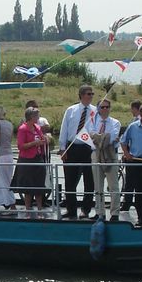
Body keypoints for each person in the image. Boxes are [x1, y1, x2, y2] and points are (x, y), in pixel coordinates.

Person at [58, 85, 99, 219]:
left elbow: (97, 128)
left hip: (88, 148)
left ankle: (85, 210)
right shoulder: (71, 110)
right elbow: (64, 129)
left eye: (92, 94)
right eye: (88, 94)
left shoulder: (95, 111)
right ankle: (71, 209)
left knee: (89, 180)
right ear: (81, 95)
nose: (91, 96)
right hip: (72, 147)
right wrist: (63, 148)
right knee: (70, 180)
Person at [91, 99, 122, 222]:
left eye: (107, 107)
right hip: (96, 154)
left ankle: (115, 213)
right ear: (98, 108)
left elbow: (112, 137)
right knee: (98, 186)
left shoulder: (115, 122)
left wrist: (99, 137)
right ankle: (100, 212)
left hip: (111, 155)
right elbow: (91, 135)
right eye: (102, 107)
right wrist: (102, 137)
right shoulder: (92, 121)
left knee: (113, 186)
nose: (105, 109)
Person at [13, 106, 48, 212]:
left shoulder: (37, 127)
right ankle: (28, 209)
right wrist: (34, 143)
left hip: (38, 158)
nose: (38, 117)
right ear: (31, 117)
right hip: (27, 159)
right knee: (28, 187)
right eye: (36, 115)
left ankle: (40, 209)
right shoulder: (23, 129)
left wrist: (44, 140)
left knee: (39, 185)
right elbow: (20, 146)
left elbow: (41, 139)